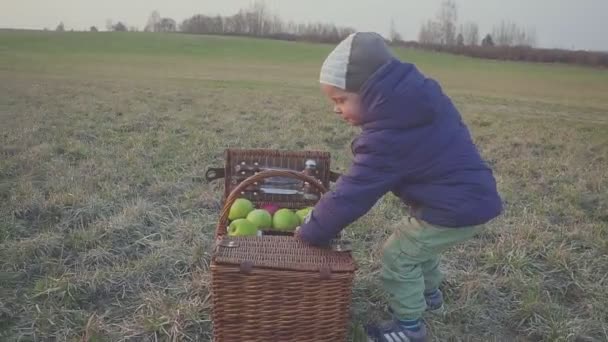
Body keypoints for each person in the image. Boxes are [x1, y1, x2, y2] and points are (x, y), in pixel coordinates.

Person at [294, 32, 503, 342]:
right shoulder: (414, 104)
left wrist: (314, 227)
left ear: (370, 91)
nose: (336, 109)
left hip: (456, 204)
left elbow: (353, 193)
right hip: (467, 197)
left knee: (400, 253)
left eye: (341, 99)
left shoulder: (389, 134)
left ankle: (409, 326)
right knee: (421, 248)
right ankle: (430, 296)